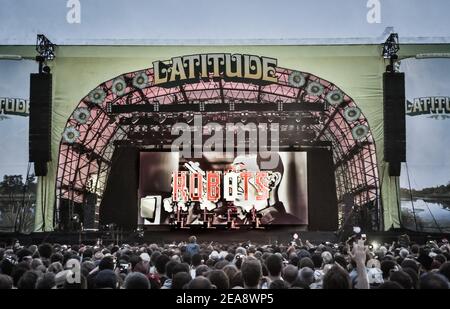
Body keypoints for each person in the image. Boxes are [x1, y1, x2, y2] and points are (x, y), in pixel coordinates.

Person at [231, 153, 302, 225]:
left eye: (242, 174)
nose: (233, 183)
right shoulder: (239, 221)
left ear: (272, 180)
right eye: (232, 175)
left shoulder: (290, 226)